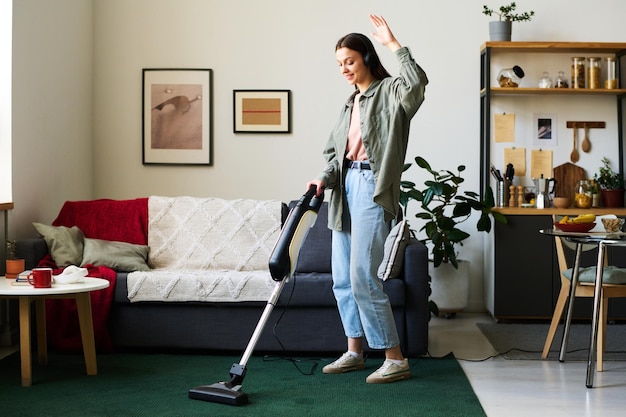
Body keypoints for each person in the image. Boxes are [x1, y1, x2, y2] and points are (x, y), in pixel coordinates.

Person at [306, 14, 428, 384]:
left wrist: (394, 44)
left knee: (363, 277)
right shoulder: (349, 104)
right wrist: (322, 178)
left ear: (367, 59)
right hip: (343, 190)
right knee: (342, 279)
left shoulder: (391, 92)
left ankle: (395, 358)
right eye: (340, 63)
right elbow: (334, 154)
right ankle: (355, 352)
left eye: (350, 61)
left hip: (372, 188)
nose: (344, 68)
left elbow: (417, 83)